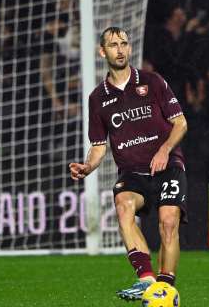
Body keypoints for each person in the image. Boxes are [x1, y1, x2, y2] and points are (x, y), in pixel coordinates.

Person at [68, 27, 188, 301]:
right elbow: (99, 146)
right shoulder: (97, 98)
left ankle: (165, 289)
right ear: (102, 52)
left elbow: (180, 123)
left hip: (168, 165)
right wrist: (88, 167)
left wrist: (165, 149)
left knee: (168, 223)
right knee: (123, 205)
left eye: (124, 44)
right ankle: (147, 280)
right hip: (132, 173)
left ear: (129, 49)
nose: (120, 49)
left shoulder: (152, 81)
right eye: (113, 45)